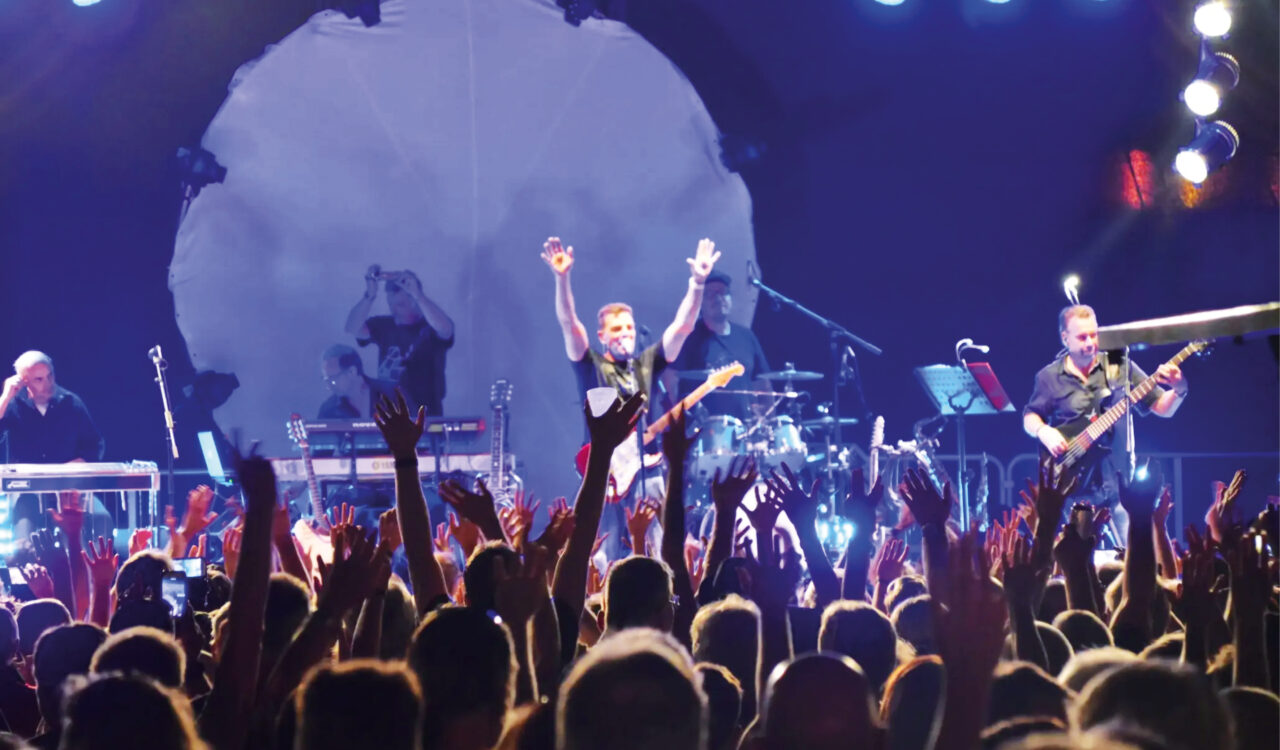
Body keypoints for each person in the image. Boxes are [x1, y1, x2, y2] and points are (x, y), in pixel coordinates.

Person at [1022, 305, 1188, 537]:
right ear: (1065, 338)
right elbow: (1030, 416)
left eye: (1094, 334)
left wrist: (1180, 388)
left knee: (1134, 559)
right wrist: (1043, 431)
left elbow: (1162, 407)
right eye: (1082, 337)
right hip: (1076, 488)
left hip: (1120, 487)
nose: (1090, 342)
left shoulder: (1118, 364)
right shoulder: (1048, 377)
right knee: (1080, 564)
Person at [0, 352, 105, 540]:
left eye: (50, 376)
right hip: (29, 491)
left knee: (102, 520)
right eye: (39, 379)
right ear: (24, 382)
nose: (48, 384)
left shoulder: (71, 402)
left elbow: (95, 444)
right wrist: (5, 397)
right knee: (23, 542)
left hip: (70, 488)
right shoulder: (13, 405)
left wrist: (80, 462)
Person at [345, 266, 454, 416]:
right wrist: (369, 296)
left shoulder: (430, 328)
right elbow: (352, 328)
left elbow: (445, 329)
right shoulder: (383, 325)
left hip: (424, 416)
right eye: (391, 304)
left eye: (400, 305)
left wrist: (418, 295)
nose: (394, 310)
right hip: (390, 416)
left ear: (414, 301)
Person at [662, 270, 770, 421]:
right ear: (701, 304)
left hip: (746, 429)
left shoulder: (747, 336)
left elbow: (762, 383)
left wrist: (766, 419)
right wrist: (681, 416)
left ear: (731, 299)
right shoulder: (689, 338)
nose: (718, 298)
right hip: (704, 431)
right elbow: (670, 376)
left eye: (723, 293)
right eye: (710, 294)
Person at [317, 344, 400, 419]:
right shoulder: (328, 410)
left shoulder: (392, 393)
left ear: (352, 372)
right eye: (326, 380)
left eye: (333, 378)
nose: (329, 386)